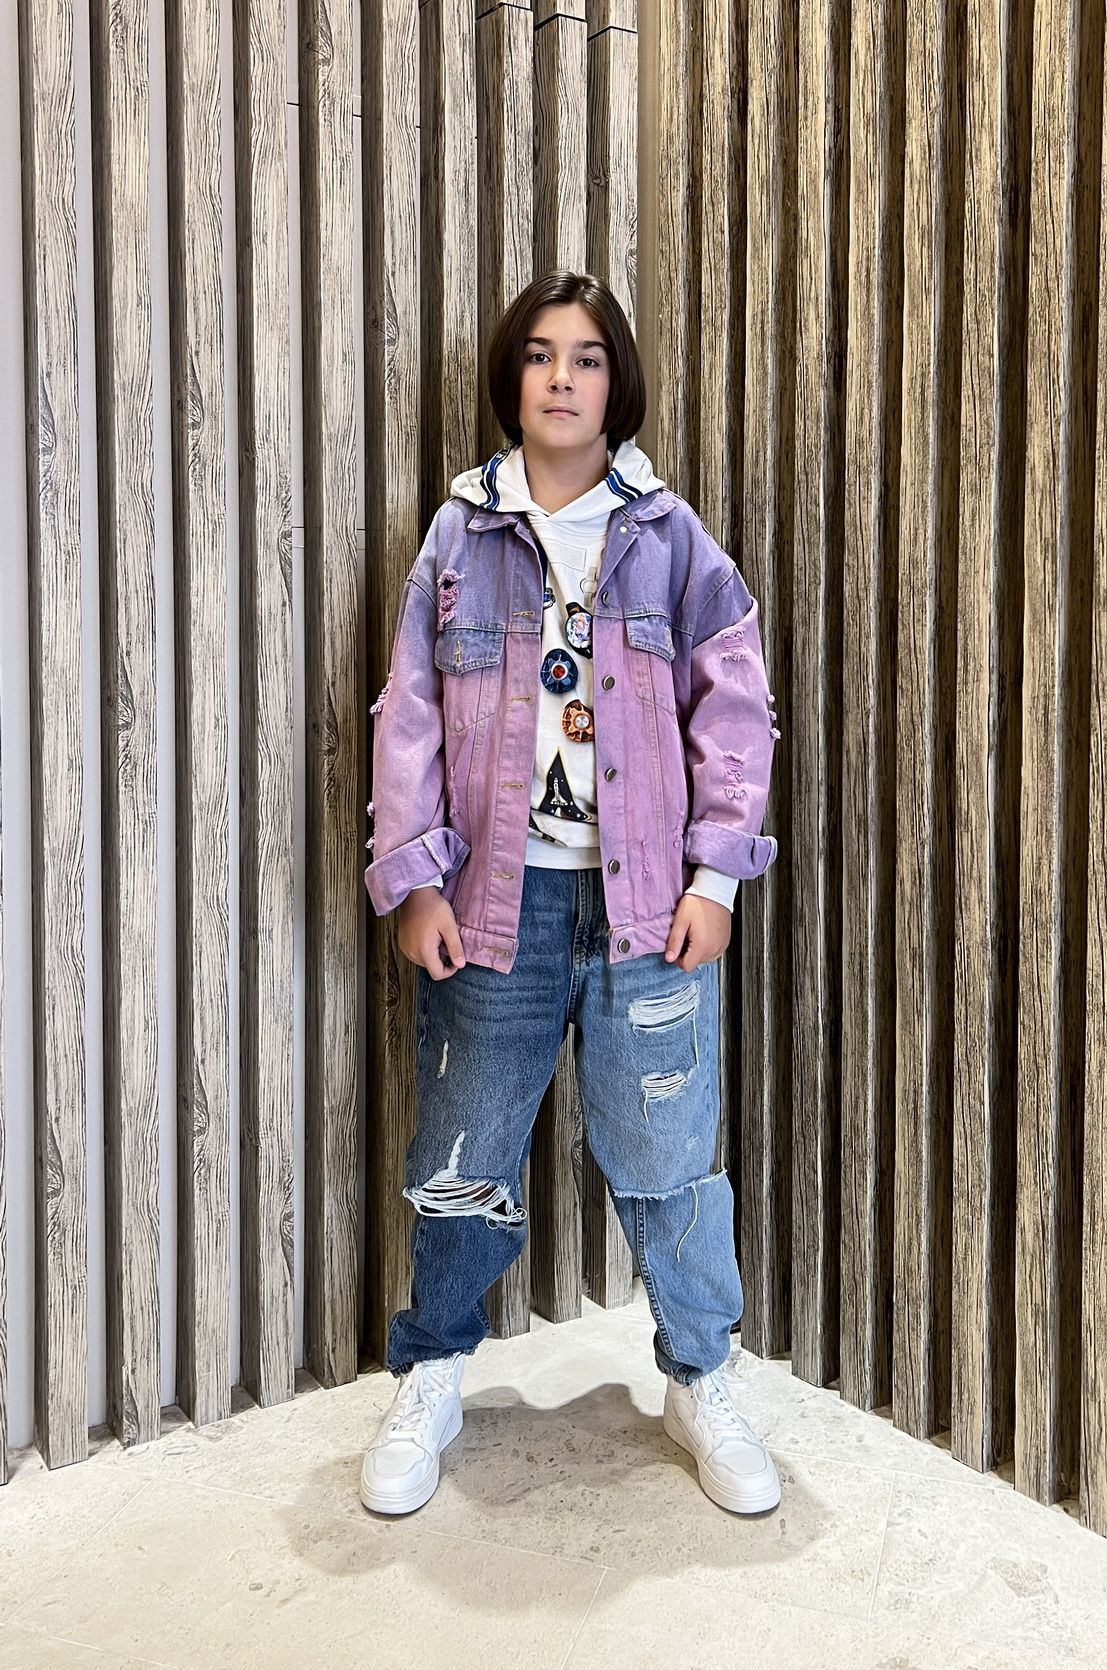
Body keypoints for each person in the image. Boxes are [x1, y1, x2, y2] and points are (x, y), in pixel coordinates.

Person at [360, 270, 781, 1519]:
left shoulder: (668, 534)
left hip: (648, 910)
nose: (561, 377)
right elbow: (408, 712)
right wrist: (414, 878)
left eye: (587, 356)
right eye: (541, 354)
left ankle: (702, 1374)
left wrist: (715, 874)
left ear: (616, 382)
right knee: (463, 1144)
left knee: (669, 1153)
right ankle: (433, 1368)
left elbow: (736, 706)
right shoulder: (460, 535)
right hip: (495, 905)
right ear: (512, 377)